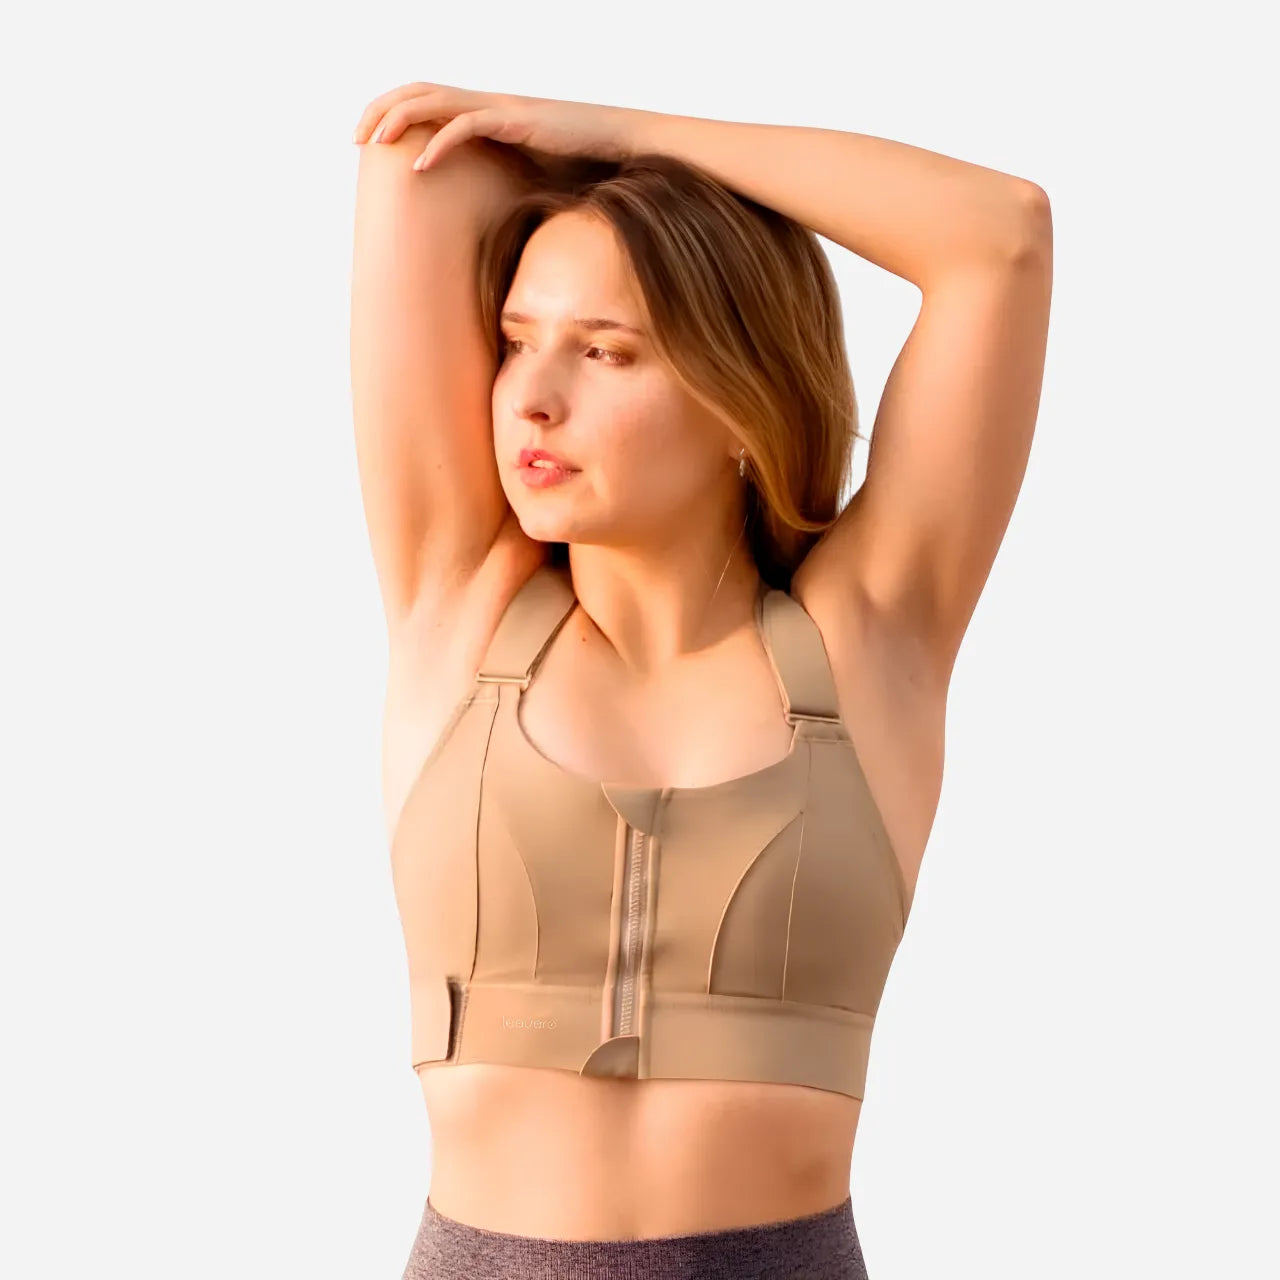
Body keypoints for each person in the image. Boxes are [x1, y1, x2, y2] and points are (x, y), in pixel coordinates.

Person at [349, 82, 1051, 1280]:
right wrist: (604, 186)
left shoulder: (865, 644)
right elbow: (416, 159)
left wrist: (631, 137)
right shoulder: (459, 602)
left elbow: (1000, 236)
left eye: (605, 350)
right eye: (517, 340)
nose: (532, 395)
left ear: (739, 399)